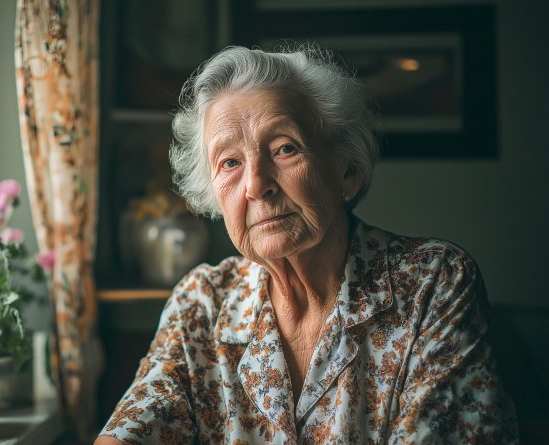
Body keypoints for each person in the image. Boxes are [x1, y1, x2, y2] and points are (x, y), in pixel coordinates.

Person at [95, 46, 517, 444]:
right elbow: (133, 426)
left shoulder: (432, 284)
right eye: (230, 163)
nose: (257, 185)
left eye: (285, 148)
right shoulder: (201, 303)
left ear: (346, 172)